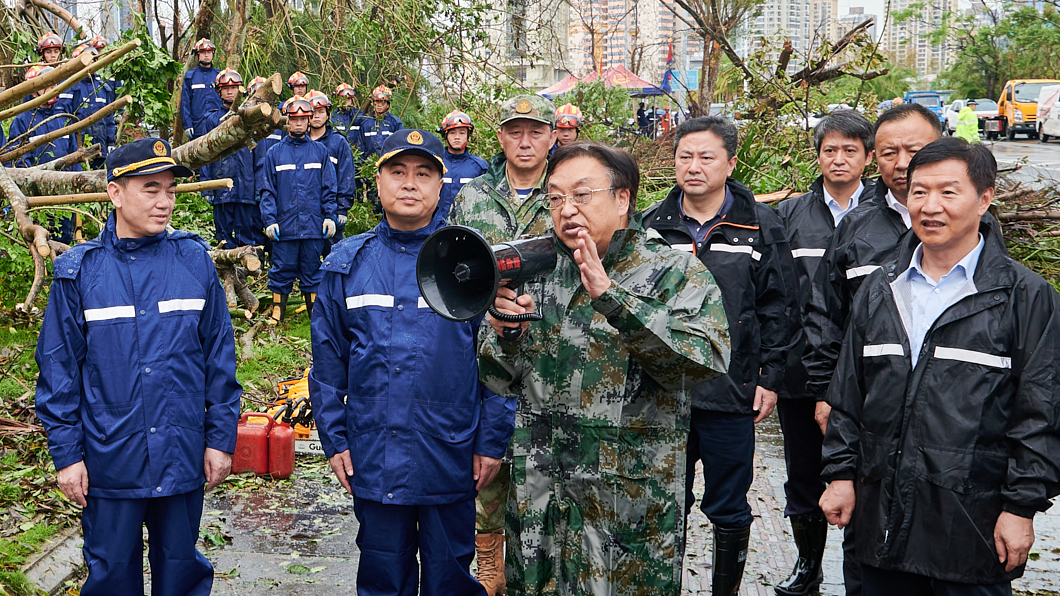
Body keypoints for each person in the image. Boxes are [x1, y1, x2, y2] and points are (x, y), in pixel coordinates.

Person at [478, 141, 731, 595]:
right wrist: (506, 333)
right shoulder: (537, 269)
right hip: (541, 506)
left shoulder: (672, 271)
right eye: (555, 198)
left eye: (581, 194)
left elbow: (702, 363)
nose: (566, 209)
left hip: (624, 508)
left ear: (622, 199)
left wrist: (613, 300)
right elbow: (497, 379)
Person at [818, 137, 1060, 595]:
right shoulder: (880, 288)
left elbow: (1041, 413)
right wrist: (840, 475)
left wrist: (1022, 508)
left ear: (985, 199)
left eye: (948, 192)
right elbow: (848, 396)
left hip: (969, 529)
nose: (930, 206)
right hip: (880, 525)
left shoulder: (1025, 297)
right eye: (919, 192)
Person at [802, 102, 1007, 596]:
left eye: (913, 151)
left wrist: (1020, 503)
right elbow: (827, 316)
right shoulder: (859, 233)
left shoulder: (999, 260)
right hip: (874, 420)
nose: (900, 163)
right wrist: (826, 393)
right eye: (889, 152)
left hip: (957, 451)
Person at [33, 137, 242, 596]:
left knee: (180, 569)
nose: (165, 201)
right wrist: (68, 456)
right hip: (110, 459)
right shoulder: (80, 272)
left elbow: (219, 363)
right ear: (114, 193)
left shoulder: (193, 261)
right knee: (110, 573)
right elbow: (58, 372)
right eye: (151, 189)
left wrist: (220, 440)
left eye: (170, 189)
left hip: (181, 451)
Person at [309, 128, 513, 596]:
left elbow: (498, 364)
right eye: (397, 172)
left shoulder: (469, 262)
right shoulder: (347, 264)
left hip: (450, 453)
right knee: (383, 577)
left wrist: (491, 443)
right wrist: (335, 439)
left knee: (450, 578)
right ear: (376, 183)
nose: (409, 183)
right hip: (374, 456)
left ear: (442, 186)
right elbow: (327, 364)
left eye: (424, 173)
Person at [644, 116, 796, 595]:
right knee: (664, 501)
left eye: (706, 157)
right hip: (662, 393)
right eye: (684, 157)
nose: (694, 167)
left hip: (731, 392)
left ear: (730, 163)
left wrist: (769, 377)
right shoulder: (652, 226)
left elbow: (780, 307)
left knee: (728, 505)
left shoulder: (759, 226)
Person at [446, 93, 557, 596]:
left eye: (536, 131)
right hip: (485, 351)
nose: (526, 140)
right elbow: (451, 268)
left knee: (545, 464)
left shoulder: (565, 192)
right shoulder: (473, 195)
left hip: (554, 349)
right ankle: (488, 561)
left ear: (552, 137)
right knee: (486, 462)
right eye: (516, 131)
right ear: (501, 138)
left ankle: (538, 565)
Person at [773, 110, 876, 596]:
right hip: (801, 370)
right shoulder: (790, 215)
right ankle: (807, 565)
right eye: (829, 150)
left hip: (870, 372)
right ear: (817, 155)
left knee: (866, 469)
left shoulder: (887, 214)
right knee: (804, 471)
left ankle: (866, 564)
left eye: (849, 150)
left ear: (868, 157)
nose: (838, 159)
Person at [259, 97, 338, 324]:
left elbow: (329, 189)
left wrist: (330, 217)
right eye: (295, 119)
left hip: (313, 226)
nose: (299, 124)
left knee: (312, 269)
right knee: (282, 269)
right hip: (285, 226)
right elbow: (267, 190)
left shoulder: (320, 152)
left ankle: (315, 314)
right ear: (287, 121)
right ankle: (277, 313)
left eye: (303, 119)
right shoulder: (274, 153)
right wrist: (270, 220)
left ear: (309, 120)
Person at [200, 69, 265, 249]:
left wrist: (259, 186)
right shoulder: (213, 120)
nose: (230, 91)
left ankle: (248, 269)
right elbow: (206, 155)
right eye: (225, 88)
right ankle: (227, 268)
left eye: (234, 88)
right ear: (218, 91)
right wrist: (207, 186)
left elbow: (259, 157)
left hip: (246, 185)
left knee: (247, 230)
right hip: (221, 185)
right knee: (223, 234)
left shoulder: (250, 118)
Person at [305, 90, 356, 245]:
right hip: (305, 213)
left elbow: (346, 177)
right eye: (312, 112)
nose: (316, 116)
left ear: (328, 115)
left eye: (321, 111)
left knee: (332, 256)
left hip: (332, 211)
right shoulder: (299, 143)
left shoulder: (339, 143)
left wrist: (342, 209)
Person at [70, 44, 117, 165]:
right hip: (79, 149)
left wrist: (111, 142)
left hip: (101, 147)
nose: (91, 64)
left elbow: (109, 118)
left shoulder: (102, 87)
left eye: (94, 60)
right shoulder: (72, 87)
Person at [438, 110, 487, 219]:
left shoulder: (480, 166)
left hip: (468, 225)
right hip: (437, 226)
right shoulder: (436, 163)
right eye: (452, 132)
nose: (457, 137)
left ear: (468, 135)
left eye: (462, 132)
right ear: (445, 135)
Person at [180, 38, 222, 140]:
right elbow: (185, 103)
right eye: (203, 52)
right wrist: (187, 125)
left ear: (213, 54)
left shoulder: (220, 76)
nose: (206, 55)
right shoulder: (191, 76)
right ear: (197, 55)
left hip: (218, 125)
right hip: (197, 127)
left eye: (209, 52)